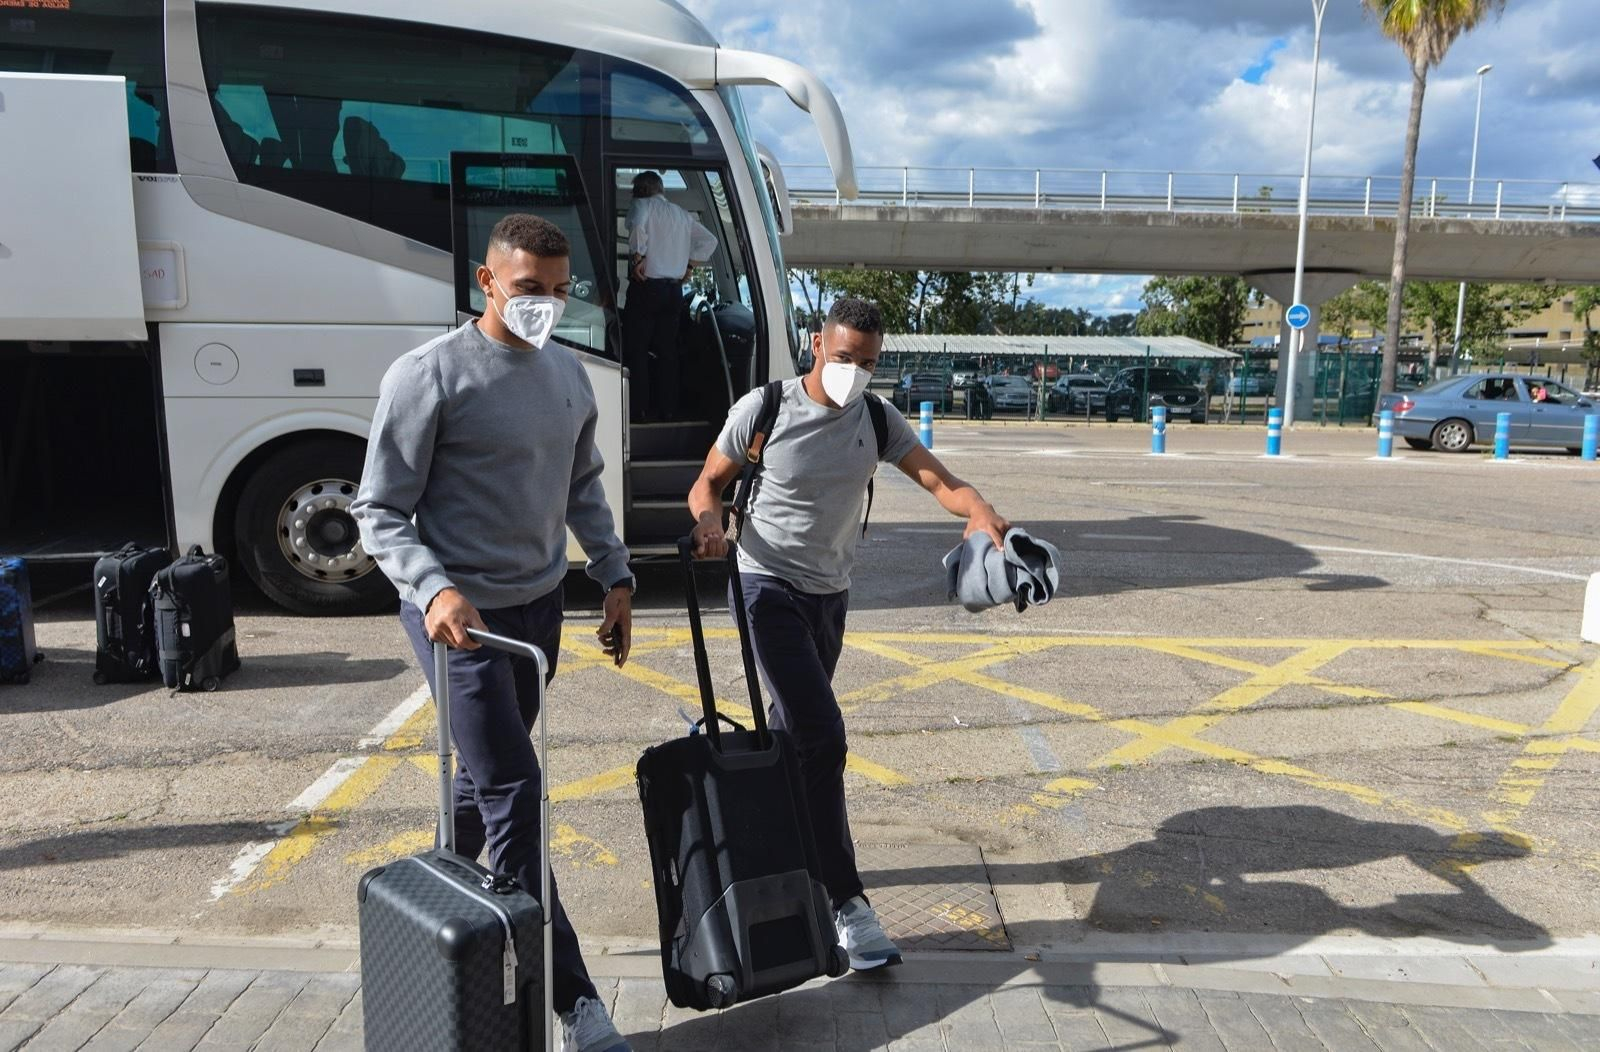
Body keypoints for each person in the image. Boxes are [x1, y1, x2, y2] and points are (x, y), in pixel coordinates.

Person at [352, 213, 635, 1052]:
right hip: (461, 622)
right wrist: (435, 590)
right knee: (515, 789)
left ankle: (433, 935)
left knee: (478, 798)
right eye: (526, 290)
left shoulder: (569, 377)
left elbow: (583, 485)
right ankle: (567, 998)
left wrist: (613, 572)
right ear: (486, 283)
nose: (544, 306)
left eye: (557, 292)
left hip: (537, 608)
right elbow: (379, 510)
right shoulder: (429, 375)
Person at [685, 297, 1011, 971]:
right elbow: (706, 485)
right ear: (815, 346)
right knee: (822, 734)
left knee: (793, 735)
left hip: (829, 598)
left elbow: (939, 481)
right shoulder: (764, 409)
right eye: (843, 359)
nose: (854, 373)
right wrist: (709, 524)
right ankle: (846, 903)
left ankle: (771, 854)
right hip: (764, 585)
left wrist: (979, 511)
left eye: (867, 362)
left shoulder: (874, 417)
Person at [623, 170, 718, 423]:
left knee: (638, 349)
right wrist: (689, 267)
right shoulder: (682, 215)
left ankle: (639, 410)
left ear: (641, 190)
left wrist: (638, 257)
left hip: (646, 287)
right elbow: (710, 240)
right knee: (668, 351)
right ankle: (669, 409)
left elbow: (637, 225)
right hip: (673, 291)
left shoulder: (641, 205)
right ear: (660, 189)